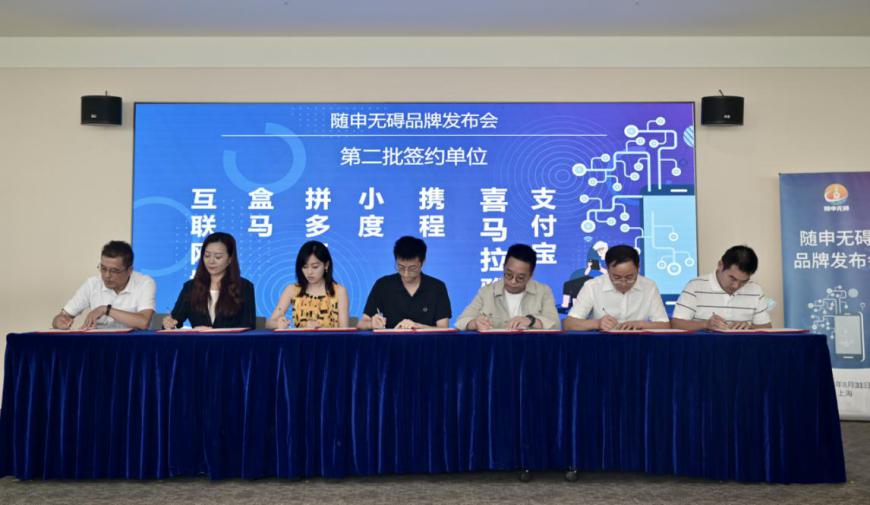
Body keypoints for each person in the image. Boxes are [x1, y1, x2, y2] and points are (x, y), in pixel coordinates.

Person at [52, 240, 156, 330]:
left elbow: (143, 322)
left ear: (129, 270)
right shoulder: (92, 284)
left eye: (114, 271)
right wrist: (59, 321)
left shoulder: (144, 283)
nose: (107, 275)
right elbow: (61, 316)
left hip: (134, 344)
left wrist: (106, 310)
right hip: (99, 343)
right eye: (103, 268)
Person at [563, 244, 670, 331]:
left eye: (629, 277)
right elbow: (568, 324)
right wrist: (597, 323)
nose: (623, 283)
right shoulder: (592, 286)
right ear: (608, 269)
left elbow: (665, 325)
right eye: (616, 277)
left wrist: (641, 324)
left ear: (638, 268)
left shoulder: (649, 286)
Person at [163, 232, 255, 329]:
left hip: (230, 339)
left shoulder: (244, 287)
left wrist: (215, 332)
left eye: (218, 257)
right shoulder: (190, 287)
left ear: (230, 259)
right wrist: (169, 323)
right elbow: (175, 320)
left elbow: (248, 326)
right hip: (198, 339)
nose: (211, 261)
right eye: (207, 256)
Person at [456, 244, 559, 330]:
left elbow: (556, 325)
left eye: (520, 278)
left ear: (530, 276)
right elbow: (461, 321)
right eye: (509, 274)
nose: (513, 281)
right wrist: (474, 323)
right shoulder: (487, 292)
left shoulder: (543, 292)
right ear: (503, 267)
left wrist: (531, 321)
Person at [357, 236, 451, 330]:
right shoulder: (383, 285)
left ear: (423, 262)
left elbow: (444, 328)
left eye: (412, 268)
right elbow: (361, 323)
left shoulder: (437, 287)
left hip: (426, 339)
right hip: (390, 339)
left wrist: (419, 327)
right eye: (401, 267)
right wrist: (371, 324)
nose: (406, 274)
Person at [671, 245, 773, 331]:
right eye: (732, 278)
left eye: (743, 281)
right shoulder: (695, 286)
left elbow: (767, 328)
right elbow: (676, 324)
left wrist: (750, 327)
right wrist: (705, 324)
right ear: (720, 265)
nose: (736, 286)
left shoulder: (755, 289)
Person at [266, 240, 350, 329]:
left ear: (326, 265)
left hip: (332, 338)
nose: (309, 272)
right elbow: (269, 323)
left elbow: (344, 330)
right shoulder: (292, 290)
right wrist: (278, 324)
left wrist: (320, 329)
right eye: (305, 267)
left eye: (315, 267)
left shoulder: (339, 291)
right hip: (300, 338)